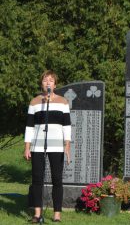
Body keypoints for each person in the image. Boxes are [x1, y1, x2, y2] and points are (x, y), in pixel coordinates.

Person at [24, 70, 71, 223]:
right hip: (38, 146)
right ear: (41, 84)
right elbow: (29, 126)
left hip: (57, 147)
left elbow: (67, 126)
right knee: (37, 178)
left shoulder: (63, 102)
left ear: (55, 84)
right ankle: (37, 214)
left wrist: (67, 145)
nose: (48, 83)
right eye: (45, 80)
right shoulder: (35, 102)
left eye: (51, 80)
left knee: (57, 179)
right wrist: (27, 146)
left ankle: (57, 214)